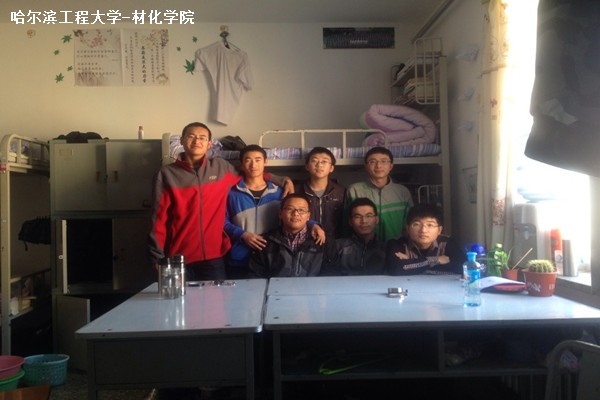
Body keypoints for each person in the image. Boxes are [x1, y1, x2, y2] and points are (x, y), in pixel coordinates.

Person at [148, 122, 293, 281]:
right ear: (182, 140)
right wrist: (157, 256)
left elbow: (251, 172)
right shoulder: (166, 174)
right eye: (191, 136)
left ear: (209, 144)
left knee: (216, 297)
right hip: (178, 256)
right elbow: (158, 219)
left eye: (202, 138)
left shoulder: (220, 167)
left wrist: (281, 179)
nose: (197, 141)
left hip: (214, 257)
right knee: (178, 297)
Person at [249, 193, 338, 278]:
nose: (296, 213)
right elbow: (255, 277)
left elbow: (331, 275)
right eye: (290, 209)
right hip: (275, 288)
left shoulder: (324, 242)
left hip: (314, 288)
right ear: (280, 214)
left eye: (301, 210)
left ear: (308, 216)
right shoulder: (264, 242)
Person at [345, 146, 413, 242]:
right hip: (361, 247)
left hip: (396, 247)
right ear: (366, 166)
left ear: (391, 166)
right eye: (372, 161)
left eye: (383, 161)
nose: (378, 166)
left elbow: (410, 224)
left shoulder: (403, 192)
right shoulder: (354, 190)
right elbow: (346, 224)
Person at [385, 203, 463, 275]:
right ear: (408, 229)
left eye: (430, 225)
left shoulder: (448, 243)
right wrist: (436, 260)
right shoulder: (397, 243)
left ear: (439, 230)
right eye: (417, 224)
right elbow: (395, 269)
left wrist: (412, 263)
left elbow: (460, 268)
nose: (423, 230)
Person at [295, 147, 346, 238]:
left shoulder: (341, 192)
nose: (319, 165)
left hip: (334, 242)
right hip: (304, 241)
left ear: (331, 168)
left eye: (324, 161)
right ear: (307, 166)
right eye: (314, 161)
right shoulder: (296, 191)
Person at [335, 197, 385, 275]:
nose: (364, 221)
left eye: (369, 216)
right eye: (357, 216)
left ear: (376, 219)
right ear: (350, 221)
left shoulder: (386, 249)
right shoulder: (338, 247)